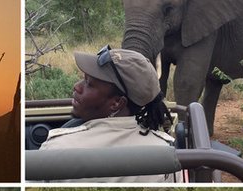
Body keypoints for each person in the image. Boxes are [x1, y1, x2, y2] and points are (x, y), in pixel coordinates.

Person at [39, 46, 182, 183]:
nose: (77, 86)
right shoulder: (166, 152)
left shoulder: (56, 147)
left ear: (117, 103)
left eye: (89, 84)